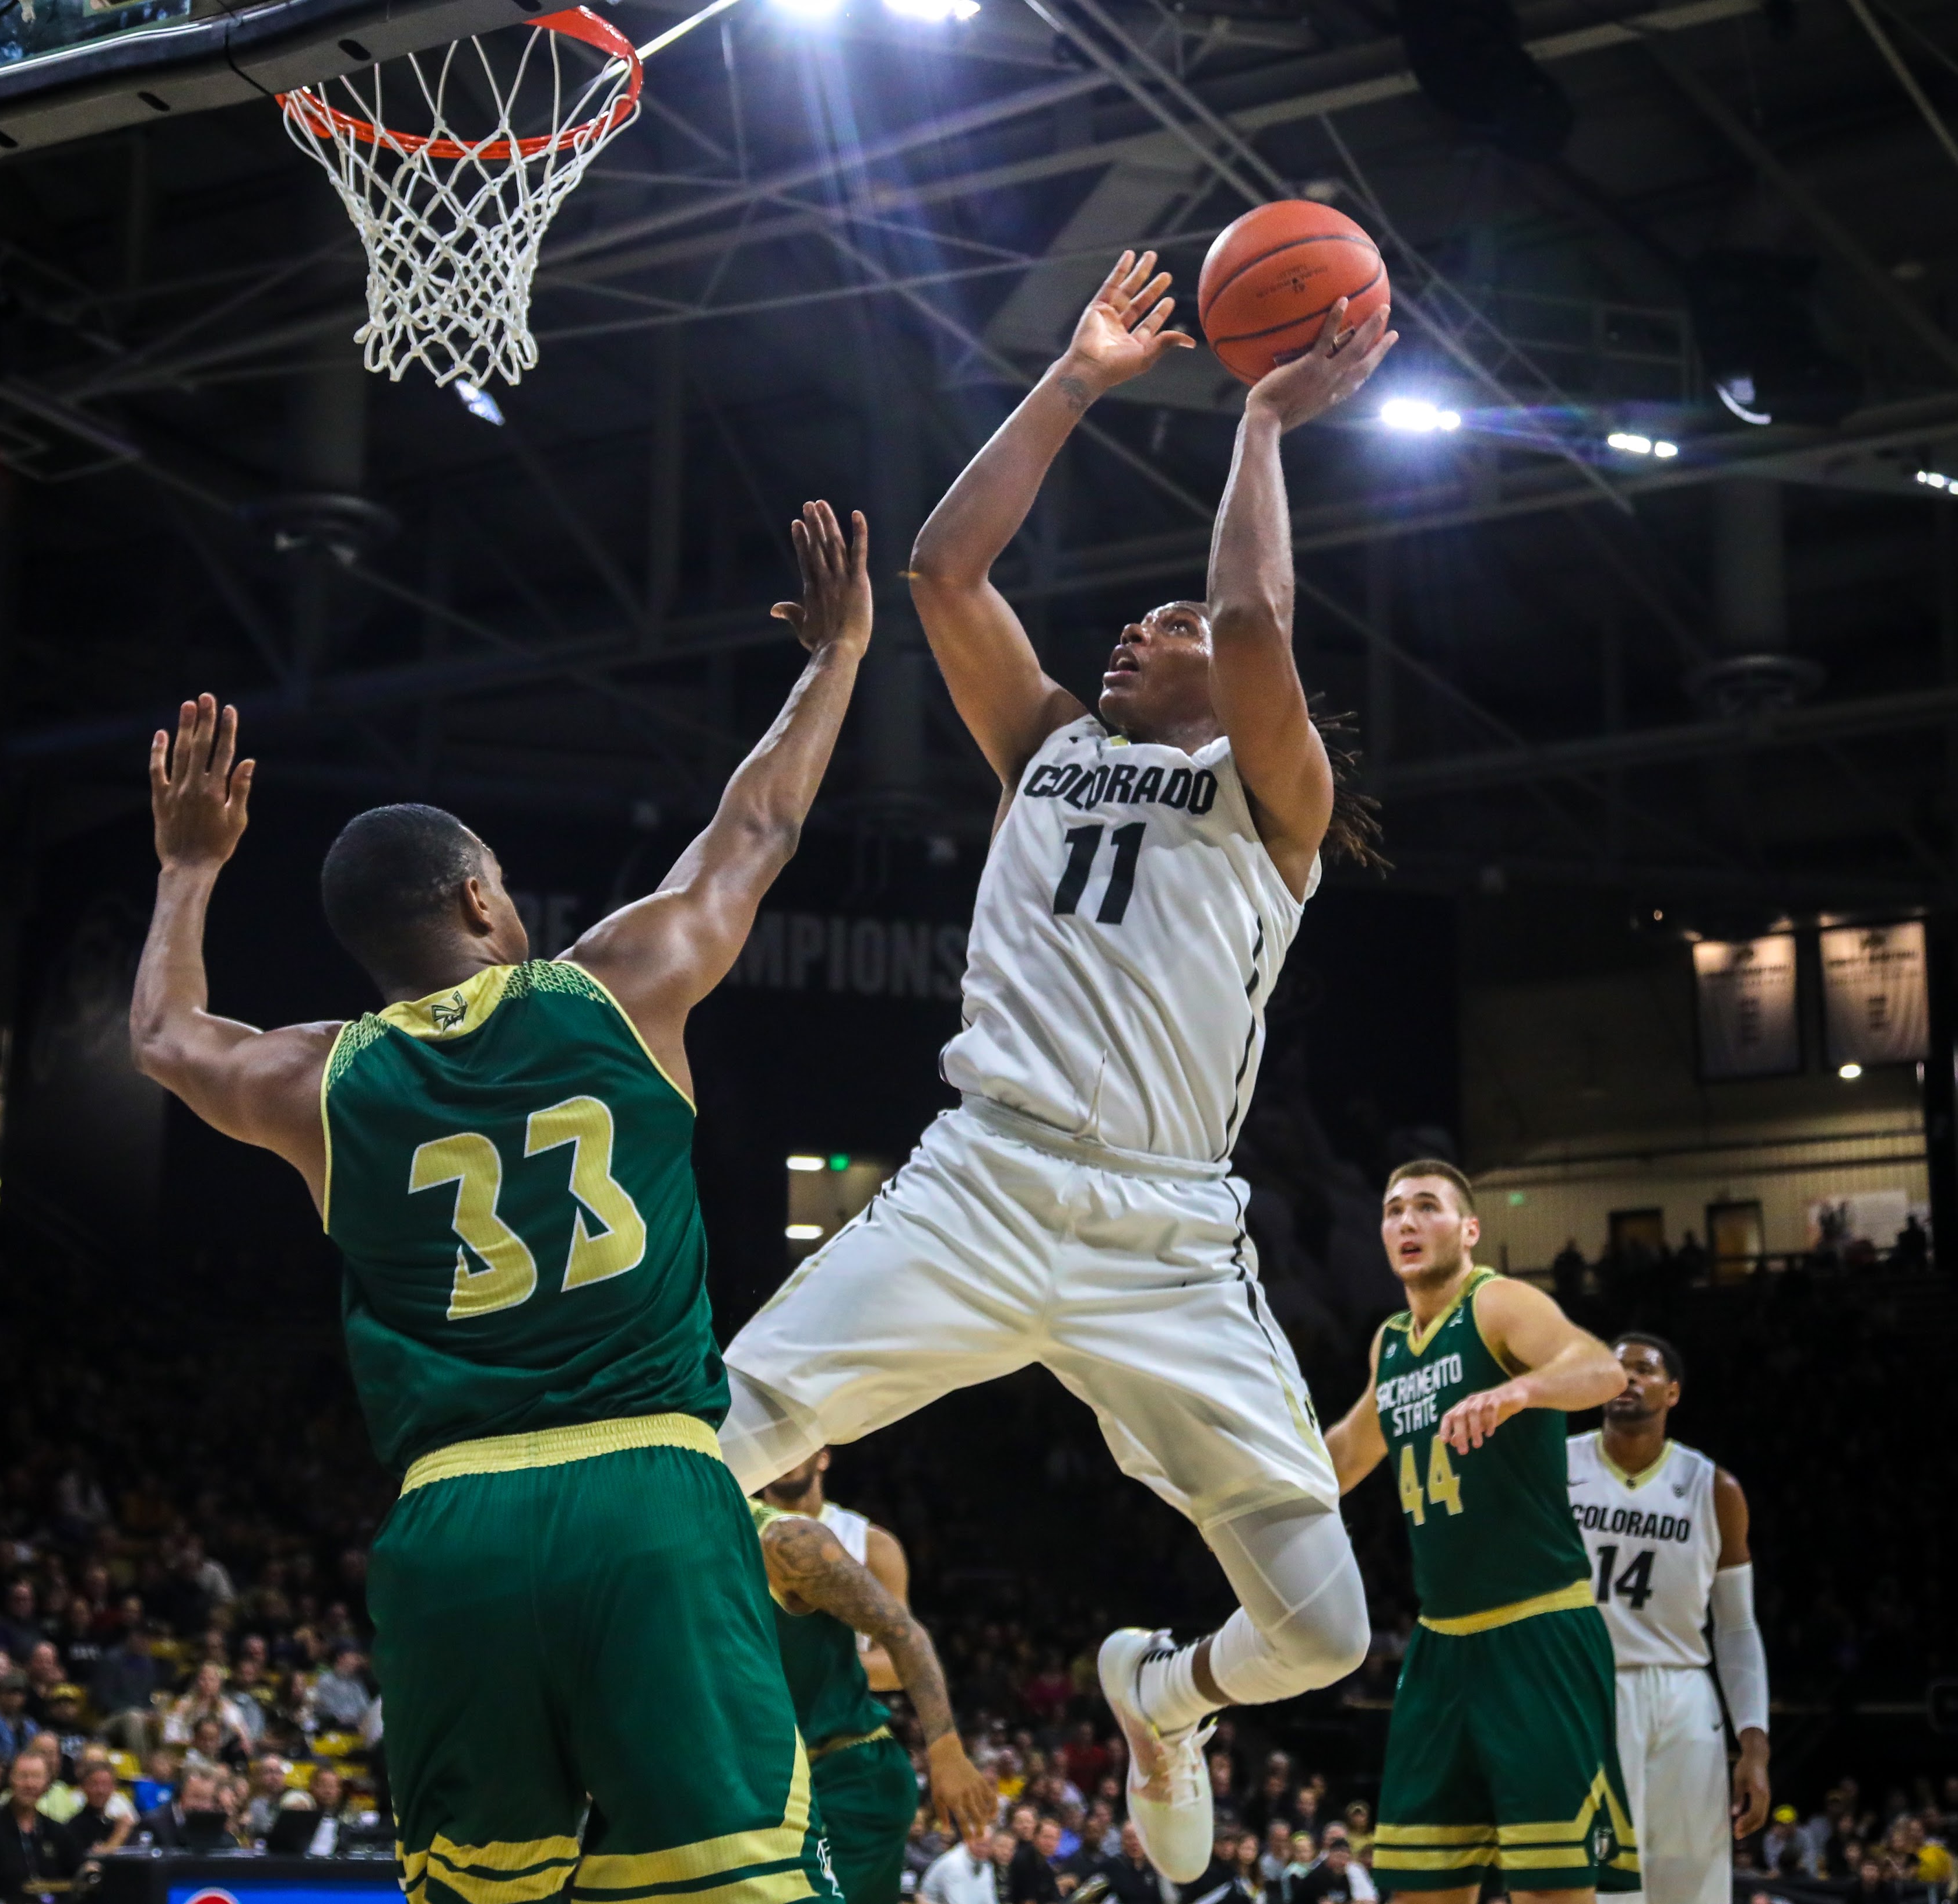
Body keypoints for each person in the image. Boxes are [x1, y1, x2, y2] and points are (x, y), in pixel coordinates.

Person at [718, 247, 1396, 1884]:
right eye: (1139, 616)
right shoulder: (1045, 751)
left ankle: (1161, 1695)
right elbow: (948, 572)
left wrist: (1260, 424)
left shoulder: (1268, 802)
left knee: (1322, 1632)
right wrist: (1080, 373)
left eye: (1162, 629)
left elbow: (1249, 613)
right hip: (984, 1179)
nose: (1137, 630)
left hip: (1165, 1239)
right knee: (692, 1435)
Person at [125, 500, 875, 1904]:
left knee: (485, 1889)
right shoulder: (618, 984)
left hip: (453, 1524)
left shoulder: (318, 1081)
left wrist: (185, 870)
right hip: (644, 1487)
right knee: (733, 1882)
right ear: (478, 897)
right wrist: (832, 654)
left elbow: (168, 1037)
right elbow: (757, 825)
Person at [1323, 1162, 1636, 1904]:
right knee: (1421, 1891)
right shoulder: (1391, 1341)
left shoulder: (1495, 1301)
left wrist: (1518, 1388)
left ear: (1467, 1230)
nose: (1404, 1220)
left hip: (1537, 1633)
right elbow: (1344, 1455)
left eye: (1425, 1206)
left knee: (1548, 1891)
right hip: (1440, 1646)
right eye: (1392, 1208)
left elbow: (1601, 1369)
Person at [1567, 1334, 1770, 1904]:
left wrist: (1753, 1744)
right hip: (1587, 1686)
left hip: (1683, 1693)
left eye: (1643, 1368)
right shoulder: (1555, 1468)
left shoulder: (1713, 1488)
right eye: (1614, 1367)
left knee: (1692, 1878)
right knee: (1598, 1882)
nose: (1626, 1376)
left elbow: (1736, 1627)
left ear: (1672, 1390)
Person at [752, 1455, 996, 1904]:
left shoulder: (867, 1544)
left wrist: (945, 1749)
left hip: (846, 1759)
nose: (786, 1457)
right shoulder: (738, 1527)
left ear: (823, 1454)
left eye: (799, 1442)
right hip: (776, 1767)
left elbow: (899, 1653)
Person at [0, 1749, 83, 1904]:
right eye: (23, 1776)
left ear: (47, 1783)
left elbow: (78, 1875)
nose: (29, 1784)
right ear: (11, 1780)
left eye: (36, 1777)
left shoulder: (57, 1832)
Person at [926, 1825, 1006, 1904]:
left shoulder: (986, 1865)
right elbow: (957, 1901)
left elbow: (989, 1899)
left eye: (987, 1845)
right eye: (979, 1844)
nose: (983, 1850)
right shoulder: (953, 1863)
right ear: (967, 1841)